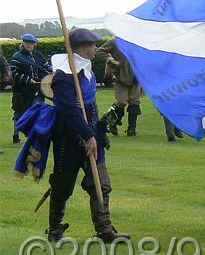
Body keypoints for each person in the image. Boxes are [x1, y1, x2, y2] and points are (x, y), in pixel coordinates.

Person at [47, 28, 129, 242]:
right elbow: (69, 109)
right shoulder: (64, 75)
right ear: (83, 48)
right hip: (70, 136)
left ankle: (105, 230)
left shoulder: (86, 68)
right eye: (93, 46)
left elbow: (89, 100)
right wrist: (87, 136)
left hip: (92, 132)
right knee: (63, 186)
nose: (96, 49)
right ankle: (55, 230)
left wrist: (94, 135)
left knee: (101, 183)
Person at [10, 34, 52, 143]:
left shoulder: (38, 55)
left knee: (37, 111)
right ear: (23, 43)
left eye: (31, 43)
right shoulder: (17, 57)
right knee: (20, 114)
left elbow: (46, 66)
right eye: (27, 42)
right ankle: (16, 135)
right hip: (22, 91)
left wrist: (53, 71)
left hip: (37, 90)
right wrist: (28, 80)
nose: (29, 45)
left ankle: (34, 136)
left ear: (34, 44)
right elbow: (15, 73)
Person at [98, 37, 142, 137]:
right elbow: (100, 52)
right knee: (121, 102)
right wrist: (111, 60)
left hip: (137, 77)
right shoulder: (115, 42)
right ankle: (113, 122)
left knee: (134, 102)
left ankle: (132, 128)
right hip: (121, 77)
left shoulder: (139, 40)